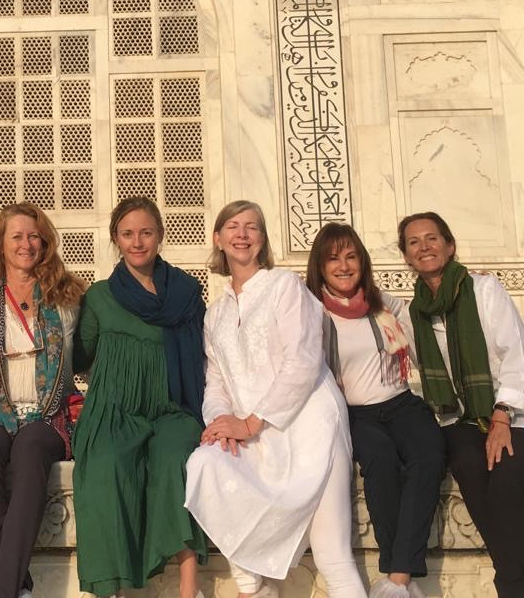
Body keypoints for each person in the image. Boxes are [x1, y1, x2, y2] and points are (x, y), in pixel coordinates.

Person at [185, 201, 365, 598]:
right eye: (233, 226)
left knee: (333, 557)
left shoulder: (285, 286)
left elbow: (303, 360)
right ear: (218, 239)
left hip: (311, 428)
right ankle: (253, 588)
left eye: (252, 227)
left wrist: (251, 422)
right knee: (204, 464)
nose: (242, 234)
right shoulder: (215, 315)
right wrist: (221, 424)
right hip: (255, 439)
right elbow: (215, 381)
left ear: (262, 239)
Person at [72, 197, 207, 598]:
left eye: (146, 232)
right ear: (116, 238)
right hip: (114, 410)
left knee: (175, 460)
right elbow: (78, 357)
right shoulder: (100, 296)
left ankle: (189, 589)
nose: (137, 242)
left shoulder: (185, 294)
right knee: (104, 467)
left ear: (160, 235)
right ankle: (111, 590)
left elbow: (207, 353)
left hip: (173, 408)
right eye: (128, 234)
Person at [307, 223, 443, 598]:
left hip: (400, 403)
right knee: (381, 461)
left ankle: (397, 578)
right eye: (334, 259)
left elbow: (428, 316)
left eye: (351, 257)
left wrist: (466, 288)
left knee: (429, 456)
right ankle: (401, 577)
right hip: (355, 413)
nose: (344, 266)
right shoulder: (311, 311)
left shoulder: (383, 304)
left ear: (362, 262)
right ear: (320, 266)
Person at [0, 202, 86, 598]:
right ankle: (19, 588)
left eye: (34, 236)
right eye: (16, 236)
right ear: (0, 244)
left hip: (46, 415)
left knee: (31, 449)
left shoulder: (67, 299)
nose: (26, 244)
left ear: (45, 243)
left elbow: (87, 357)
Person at [398, 211, 524, 597]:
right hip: (459, 419)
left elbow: (516, 353)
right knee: (469, 466)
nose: (424, 247)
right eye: (414, 242)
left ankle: (510, 583)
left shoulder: (484, 290)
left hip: (511, 410)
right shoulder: (414, 313)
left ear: (449, 245)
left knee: (505, 481)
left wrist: (502, 415)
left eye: (432, 238)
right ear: (406, 255)